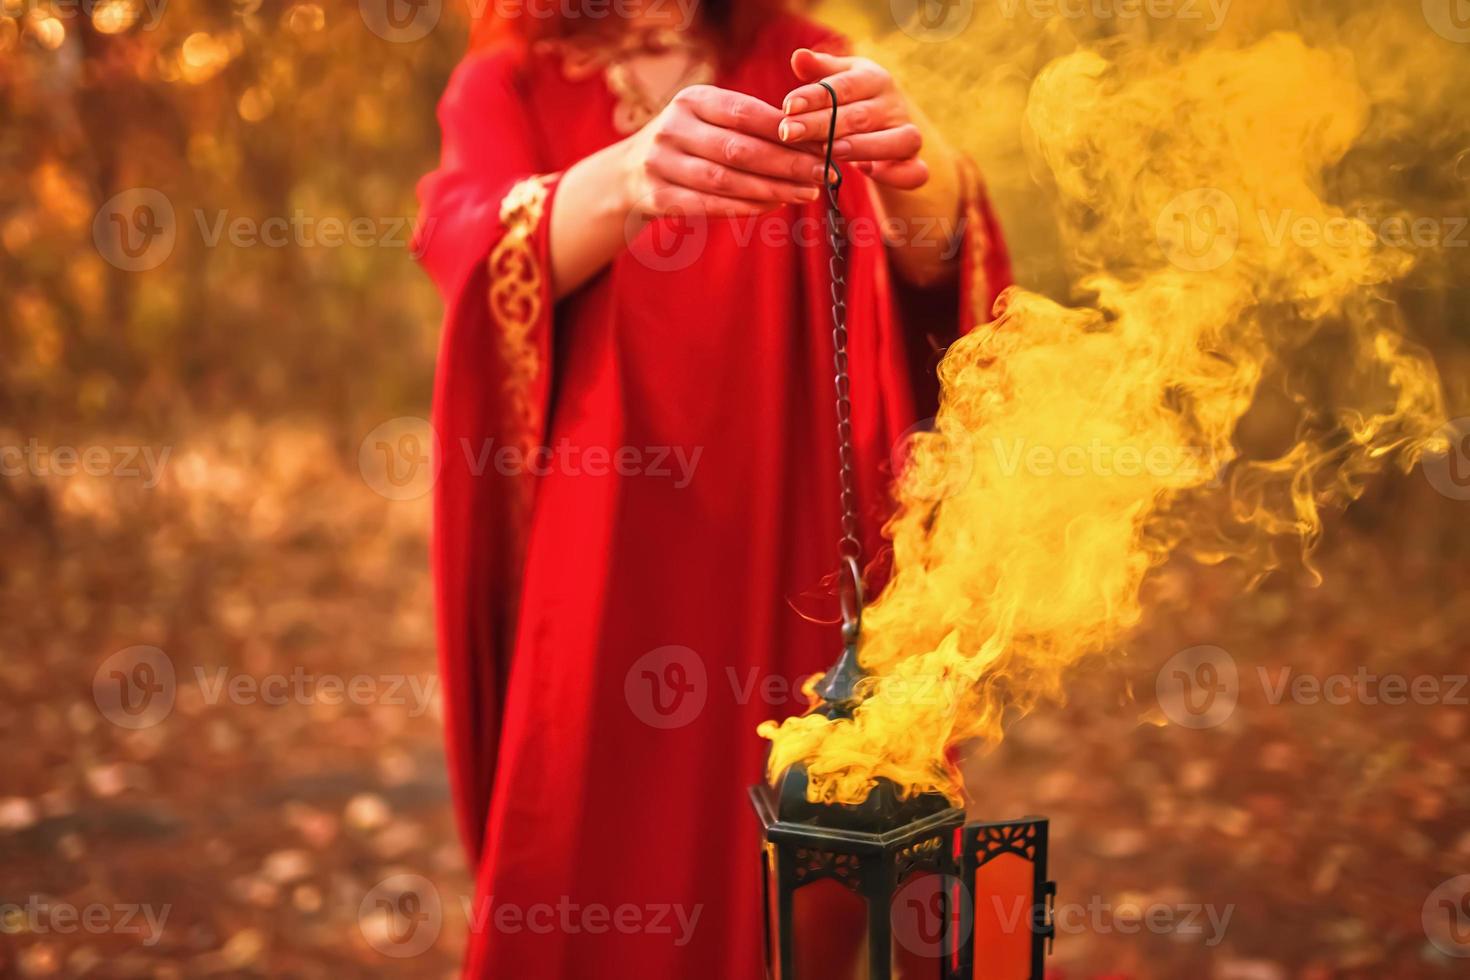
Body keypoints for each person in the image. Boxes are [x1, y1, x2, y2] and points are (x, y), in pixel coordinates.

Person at [413, 1, 1012, 975]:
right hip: (607, 541)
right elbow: (467, 247)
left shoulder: (797, 54)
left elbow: (931, 274)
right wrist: (629, 177)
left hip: (795, 523)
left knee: (807, 840)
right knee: (594, 841)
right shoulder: (508, 80)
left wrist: (920, 175)